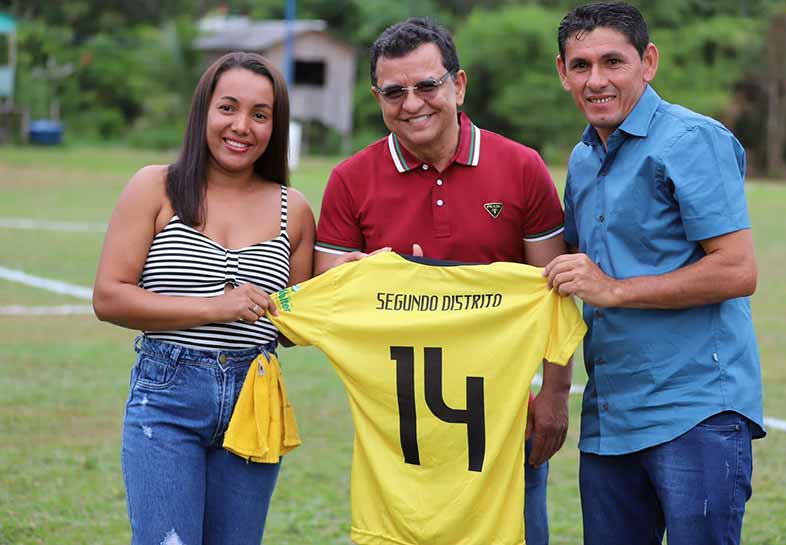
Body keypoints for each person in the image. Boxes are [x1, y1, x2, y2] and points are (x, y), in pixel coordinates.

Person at [313, 18, 571, 545]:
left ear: (458, 84)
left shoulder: (521, 167)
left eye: (427, 85)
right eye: (394, 91)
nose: (412, 104)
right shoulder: (350, 179)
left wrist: (556, 394)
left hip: (502, 420)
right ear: (376, 97)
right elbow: (329, 292)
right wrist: (384, 273)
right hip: (399, 427)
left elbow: (554, 292)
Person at [545, 3, 766, 545]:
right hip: (610, 417)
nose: (596, 80)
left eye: (613, 62)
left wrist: (612, 290)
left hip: (695, 412)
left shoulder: (691, 140)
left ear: (648, 61)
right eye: (580, 66)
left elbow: (737, 270)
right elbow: (564, 264)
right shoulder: (580, 158)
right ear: (562, 72)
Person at [92, 52, 316, 545]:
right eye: (228, 108)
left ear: (274, 127)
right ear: (204, 112)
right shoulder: (156, 186)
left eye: (260, 115)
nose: (242, 126)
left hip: (255, 398)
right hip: (167, 396)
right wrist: (217, 306)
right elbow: (109, 297)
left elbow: (295, 325)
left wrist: (356, 276)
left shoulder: (293, 210)